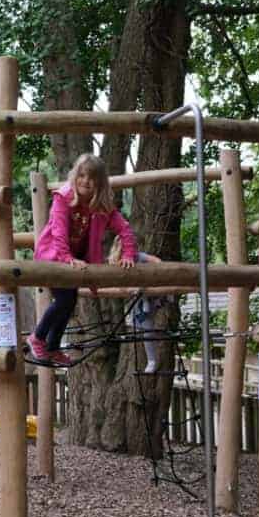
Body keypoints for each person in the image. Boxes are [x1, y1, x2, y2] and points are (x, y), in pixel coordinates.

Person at [27, 153, 138, 366]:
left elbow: (124, 229)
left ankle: (52, 347)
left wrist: (128, 254)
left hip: (74, 261)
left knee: (69, 303)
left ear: (100, 182)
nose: (85, 181)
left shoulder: (101, 206)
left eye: (91, 177)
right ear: (74, 177)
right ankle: (38, 337)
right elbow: (58, 231)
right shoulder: (64, 198)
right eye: (81, 175)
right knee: (64, 301)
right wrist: (67, 258)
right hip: (53, 256)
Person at [108, 239, 165, 373]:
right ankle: (152, 360)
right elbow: (117, 284)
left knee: (146, 326)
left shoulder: (139, 257)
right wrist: (130, 289)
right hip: (134, 295)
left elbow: (158, 262)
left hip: (148, 294)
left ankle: (152, 360)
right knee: (145, 326)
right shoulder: (115, 261)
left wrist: (148, 273)